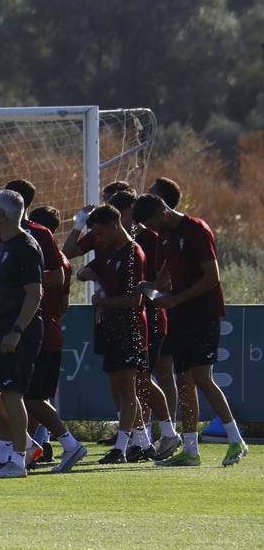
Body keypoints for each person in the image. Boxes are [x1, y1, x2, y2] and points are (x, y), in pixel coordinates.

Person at [0, 189, 86, 478]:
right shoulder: (3, 244)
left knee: (14, 394)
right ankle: (26, 444)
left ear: (2, 214)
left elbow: (34, 293)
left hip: (19, 330)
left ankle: (17, 460)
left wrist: (16, 330)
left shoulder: (26, 245)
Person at [135, 191, 249, 466]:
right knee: (184, 379)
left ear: (162, 213)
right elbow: (166, 275)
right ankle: (190, 450)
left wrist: (174, 298)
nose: (151, 230)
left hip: (203, 314)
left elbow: (212, 277)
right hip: (180, 316)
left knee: (201, 377)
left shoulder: (196, 229)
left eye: (151, 224)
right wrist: (152, 287)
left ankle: (236, 440)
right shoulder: (166, 236)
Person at [79, 205, 150, 464]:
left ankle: (121, 448)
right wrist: (86, 274)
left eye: (99, 232)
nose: (97, 238)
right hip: (112, 327)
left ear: (113, 226)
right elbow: (81, 271)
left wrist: (102, 302)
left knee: (128, 388)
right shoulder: (110, 253)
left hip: (130, 326)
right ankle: (143, 443)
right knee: (119, 388)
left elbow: (135, 300)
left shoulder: (133, 254)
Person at [127, 194, 181, 459]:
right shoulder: (126, 239)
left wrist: (153, 289)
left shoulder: (151, 238)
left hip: (153, 318)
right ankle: (143, 438)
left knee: (146, 377)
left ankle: (167, 434)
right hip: (139, 318)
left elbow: (166, 280)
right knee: (135, 379)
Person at [20, 203, 73, 466]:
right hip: (51, 329)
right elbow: (63, 307)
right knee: (34, 397)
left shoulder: (29, 257)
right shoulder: (62, 262)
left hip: (38, 332)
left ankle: (67, 443)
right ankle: (28, 448)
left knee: (30, 397)